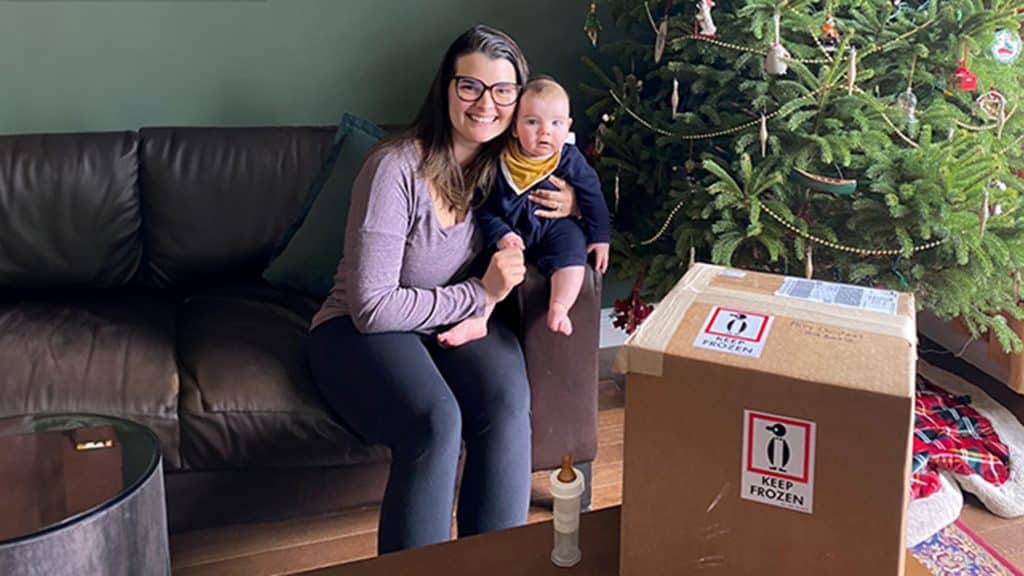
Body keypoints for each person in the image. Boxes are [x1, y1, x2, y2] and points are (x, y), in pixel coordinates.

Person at [307, 25, 578, 554]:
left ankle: (494, 564)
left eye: (503, 91)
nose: (486, 104)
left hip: (449, 325)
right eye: (470, 86)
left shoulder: (507, 172)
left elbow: (574, 214)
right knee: (436, 421)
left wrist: (571, 207)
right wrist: (479, 294)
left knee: (505, 405)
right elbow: (372, 306)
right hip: (359, 330)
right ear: (446, 89)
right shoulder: (394, 169)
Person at [437, 76, 609, 348]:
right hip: (511, 230)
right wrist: (502, 234)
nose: (545, 132)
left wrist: (600, 237)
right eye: (532, 122)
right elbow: (483, 207)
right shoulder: (498, 160)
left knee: (573, 250)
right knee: (488, 264)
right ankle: (478, 320)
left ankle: (560, 306)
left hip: (554, 228)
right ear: (514, 127)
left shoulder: (568, 158)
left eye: (556, 123)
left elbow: (592, 195)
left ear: (567, 127)